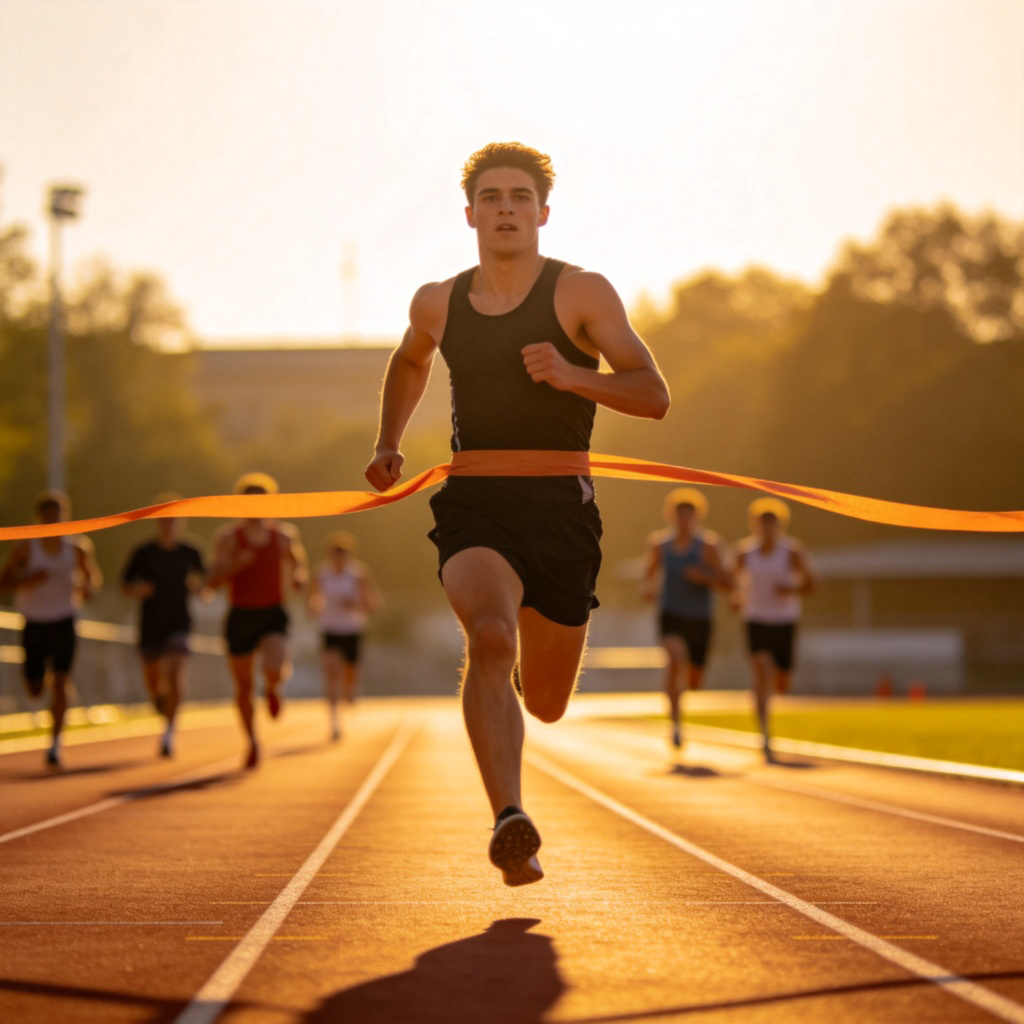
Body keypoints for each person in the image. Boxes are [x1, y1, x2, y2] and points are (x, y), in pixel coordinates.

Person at [364, 142, 670, 886]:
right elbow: (411, 360)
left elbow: (652, 394)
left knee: (550, 702)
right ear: (469, 214)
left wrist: (572, 376)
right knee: (491, 638)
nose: (506, 208)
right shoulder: (438, 300)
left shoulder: (582, 294)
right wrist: (388, 442)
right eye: (492, 197)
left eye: (520, 198)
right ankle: (510, 818)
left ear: (542, 213)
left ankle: (524, 701)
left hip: (563, 509)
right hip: (477, 500)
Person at [207, 472, 308, 769]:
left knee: (273, 667)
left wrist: (300, 577)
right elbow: (211, 581)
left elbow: (297, 561)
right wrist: (235, 565)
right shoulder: (228, 538)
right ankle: (252, 741)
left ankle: (274, 688)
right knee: (243, 685)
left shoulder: (283, 535)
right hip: (240, 615)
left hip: (272, 611)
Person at [0, 491, 102, 767]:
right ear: (39, 518)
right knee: (34, 689)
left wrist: (88, 588)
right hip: (33, 620)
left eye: (57, 517)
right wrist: (27, 580)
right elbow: (3, 581)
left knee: (61, 679)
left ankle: (55, 744)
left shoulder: (78, 547)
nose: (52, 522)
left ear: (64, 517)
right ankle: (44, 682)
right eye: (47, 517)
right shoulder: (25, 548)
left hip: (64, 619)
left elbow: (92, 577)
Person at [642, 487, 728, 751]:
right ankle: (676, 725)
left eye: (689, 516)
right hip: (671, 614)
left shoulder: (708, 547)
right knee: (675, 659)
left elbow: (727, 582)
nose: (683, 520)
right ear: (671, 516)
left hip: (700, 618)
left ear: (697, 517)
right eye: (679, 515)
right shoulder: (660, 545)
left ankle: (683, 698)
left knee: (694, 680)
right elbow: (649, 573)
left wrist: (704, 578)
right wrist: (648, 588)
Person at [732, 497, 817, 763]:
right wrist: (735, 596)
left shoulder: (792, 552)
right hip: (756, 619)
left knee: (781, 682)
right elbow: (728, 579)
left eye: (772, 524)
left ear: (780, 525)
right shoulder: (744, 552)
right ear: (755, 525)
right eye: (762, 523)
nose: (767, 529)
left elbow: (813, 584)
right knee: (761, 671)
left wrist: (791, 589)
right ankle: (765, 734)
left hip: (784, 620)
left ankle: (768, 700)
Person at [121, 497, 206, 758]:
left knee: (176, 674)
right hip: (150, 626)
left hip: (179, 624)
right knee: (155, 682)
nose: (169, 525)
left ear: (182, 522)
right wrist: (139, 590)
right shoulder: (143, 553)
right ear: (157, 522)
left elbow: (207, 582)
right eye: (164, 520)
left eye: (174, 520)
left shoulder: (191, 551)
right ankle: (160, 703)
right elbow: (124, 585)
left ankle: (169, 733)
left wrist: (199, 588)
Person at [307, 531, 381, 741]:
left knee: (349, 675)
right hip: (330, 629)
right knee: (331, 673)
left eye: (343, 553)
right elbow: (312, 598)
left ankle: (350, 690)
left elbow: (372, 604)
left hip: (352, 629)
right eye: (336, 553)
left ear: (349, 555)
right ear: (330, 555)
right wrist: (313, 609)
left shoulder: (358, 574)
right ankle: (334, 722)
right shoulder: (321, 574)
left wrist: (355, 604)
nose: (339, 557)